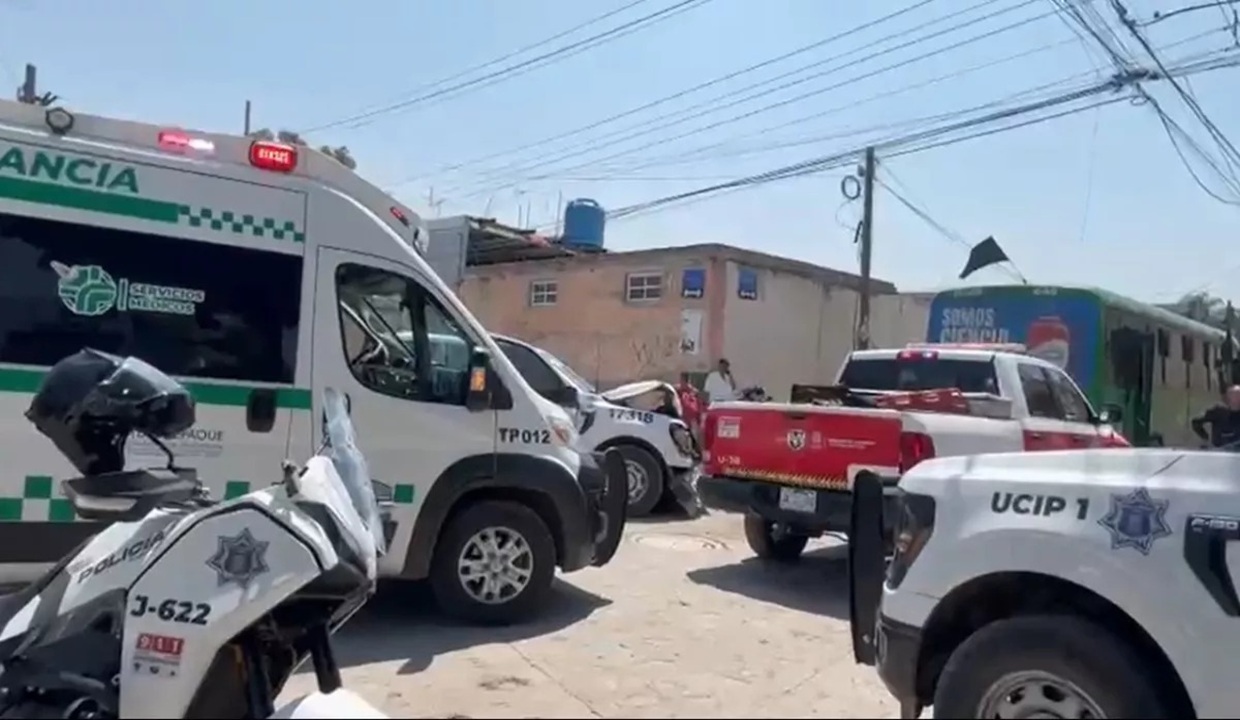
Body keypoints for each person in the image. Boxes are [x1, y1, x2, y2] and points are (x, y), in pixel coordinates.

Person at [675, 373, 703, 441]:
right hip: (682, 416)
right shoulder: (678, 389)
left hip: (690, 418)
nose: (681, 382)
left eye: (682, 380)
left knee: (692, 433)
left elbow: (698, 404)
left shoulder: (693, 391)